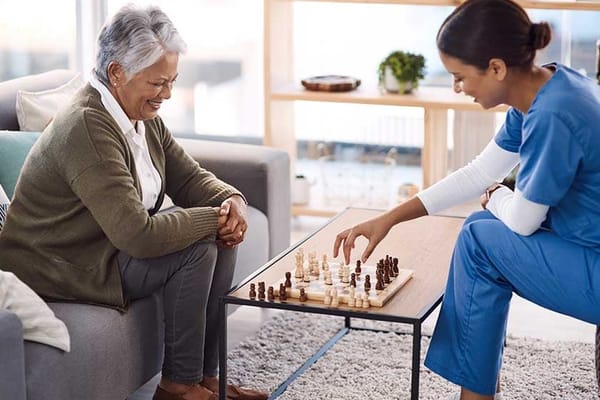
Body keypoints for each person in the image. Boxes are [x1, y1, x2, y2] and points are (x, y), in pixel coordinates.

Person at [333, 0, 600, 399]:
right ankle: (477, 391)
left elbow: (523, 220)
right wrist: (388, 219)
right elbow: (478, 173)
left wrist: (494, 197)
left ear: (496, 68)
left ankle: (474, 395)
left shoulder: (551, 115)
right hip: (585, 245)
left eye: (460, 77)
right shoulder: (548, 86)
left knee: (479, 240)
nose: (458, 89)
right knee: (479, 228)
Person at [0, 6, 267, 400]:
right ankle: (177, 387)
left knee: (222, 236)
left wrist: (231, 201)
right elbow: (137, 236)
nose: (168, 94)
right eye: (158, 82)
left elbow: (187, 176)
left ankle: (205, 378)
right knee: (199, 248)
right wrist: (212, 220)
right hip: (66, 263)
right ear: (117, 73)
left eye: (172, 81)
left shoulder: (138, 114)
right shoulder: (88, 126)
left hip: (103, 245)